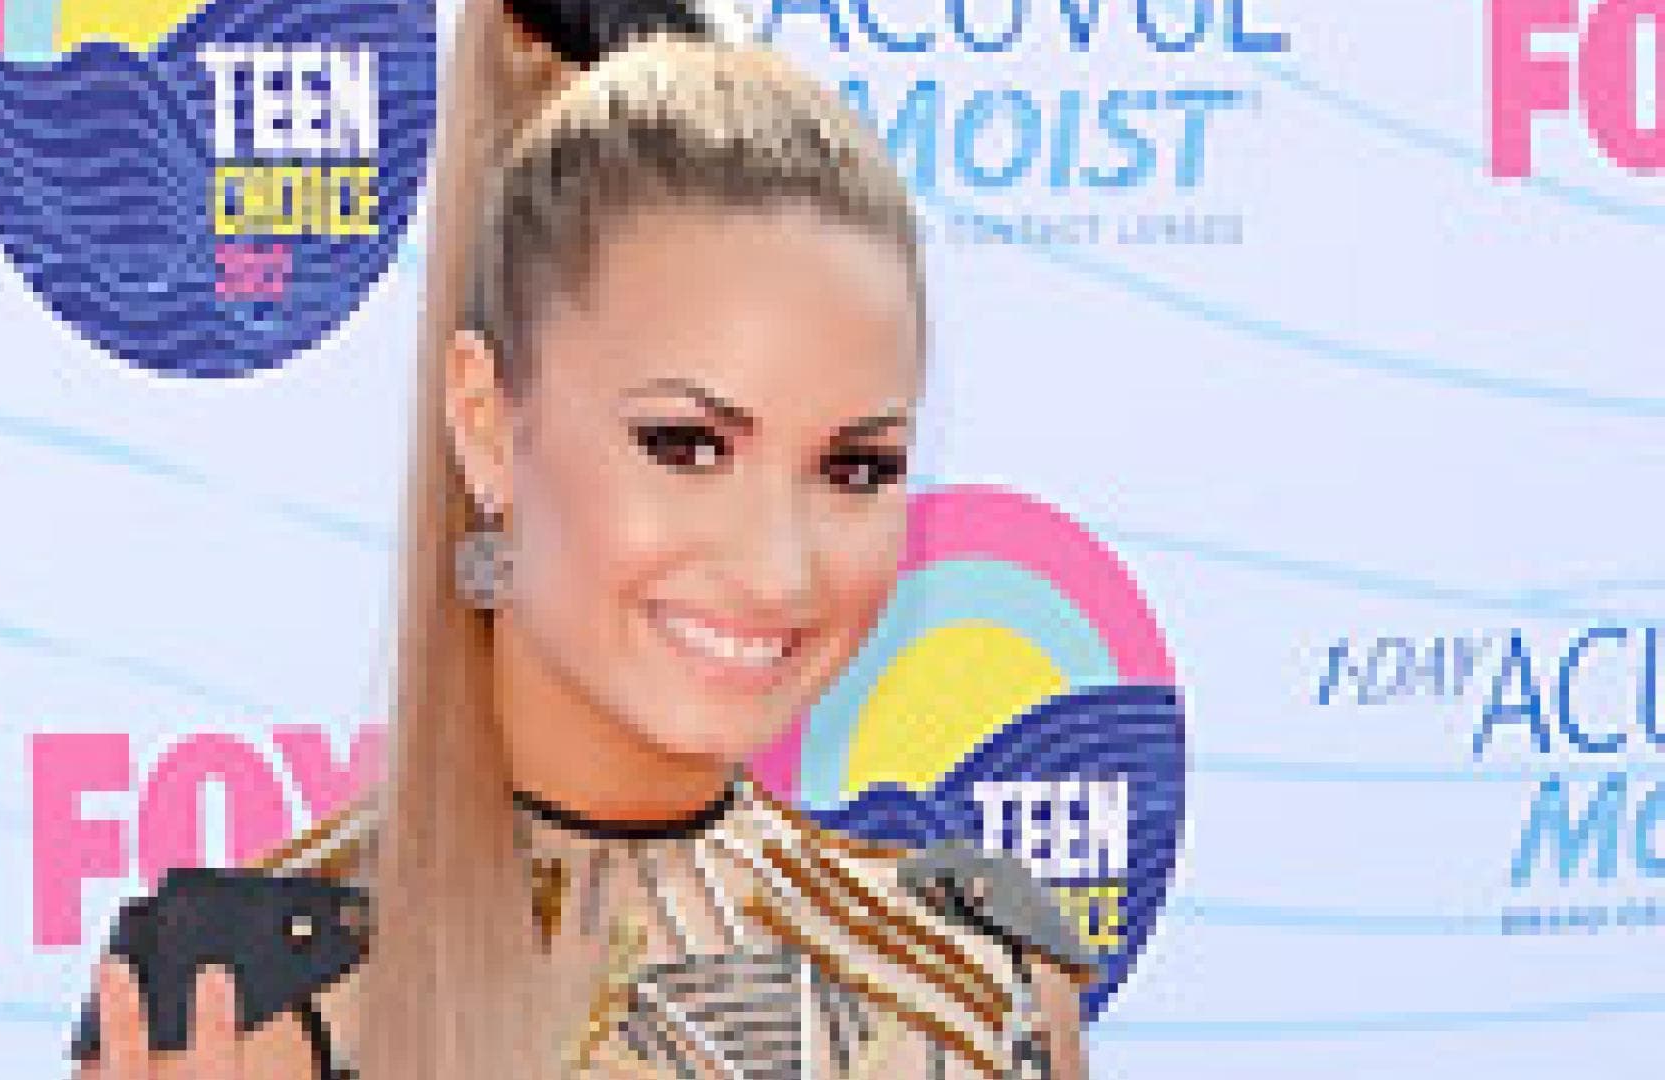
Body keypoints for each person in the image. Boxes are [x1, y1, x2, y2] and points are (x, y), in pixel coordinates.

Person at [74, 2, 1095, 1078]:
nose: (778, 569)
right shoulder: (252, 1012)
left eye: (855, 469)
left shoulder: (976, 988)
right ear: (485, 423)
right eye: (686, 446)